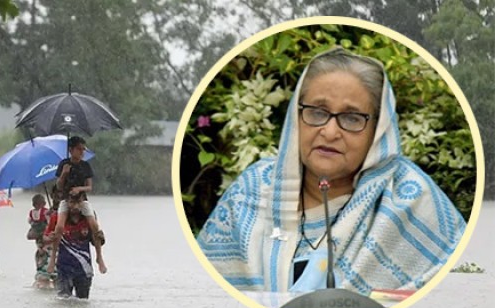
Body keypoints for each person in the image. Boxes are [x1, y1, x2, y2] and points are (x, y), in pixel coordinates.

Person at [196, 47, 466, 295]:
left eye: (352, 118)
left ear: (378, 130)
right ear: (296, 117)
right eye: (317, 112)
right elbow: (205, 293)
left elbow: (456, 290)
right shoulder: (253, 188)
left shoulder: (410, 197)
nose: (330, 131)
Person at [47, 136, 107, 275]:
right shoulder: (64, 164)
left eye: (83, 149)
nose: (82, 152)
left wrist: (79, 189)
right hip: (66, 200)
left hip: (81, 200)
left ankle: (99, 256)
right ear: (71, 150)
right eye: (79, 149)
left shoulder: (85, 166)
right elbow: (59, 186)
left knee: (94, 226)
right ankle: (53, 259)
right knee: (59, 227)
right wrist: (64, 174)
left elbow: (89, 187)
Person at [53, 194, 105, 299]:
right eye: (72, 202)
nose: (75, 206)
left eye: (78, 202)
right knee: (62, 301)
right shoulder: (59, 219)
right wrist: (50, 239)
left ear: (83, 203)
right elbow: (46, 238)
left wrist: (101, 240)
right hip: (64, 268)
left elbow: (95, 240)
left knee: (82, 302)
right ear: (67, 203)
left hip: (84, 269)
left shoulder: (88, 219)